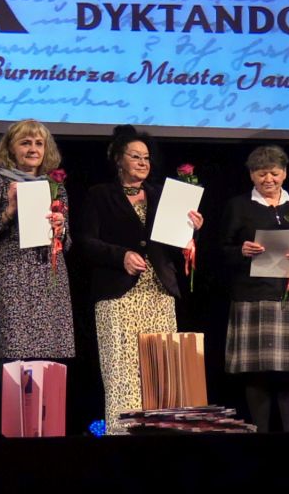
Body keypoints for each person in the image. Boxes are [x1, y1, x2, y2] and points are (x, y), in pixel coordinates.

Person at [79, 125, 203, 434]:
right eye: (135, 156)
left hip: (158, 292)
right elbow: (86, 242)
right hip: (118, 296)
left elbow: (174, 244)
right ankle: (122, 437)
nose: (142, 163)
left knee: (163, 372)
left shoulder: (163, 195)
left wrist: (192, 230)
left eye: (146, 157)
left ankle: (162, 439)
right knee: (122, 371)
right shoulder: (99, 195)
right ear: (118, 159)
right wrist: (120, 255)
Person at [221, 145, 289, 432]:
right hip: (253, 297)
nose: (269, 179)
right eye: (261, 174)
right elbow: (220, 251)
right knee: (257, 373)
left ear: (284, 173)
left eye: (274, 173)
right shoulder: (239, 206)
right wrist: (241, 251)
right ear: (252, 175)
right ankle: (260, 435)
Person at [0, 119, 74, 361]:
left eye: (39, 143)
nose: (33, 149)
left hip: (50, 275)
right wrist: (8, 212)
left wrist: (60, 229)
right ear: (11, 148)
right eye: (25, 143)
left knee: (52, 353)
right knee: (17, 352)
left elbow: (67, 243)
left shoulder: (55, 186)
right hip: (13, 274)